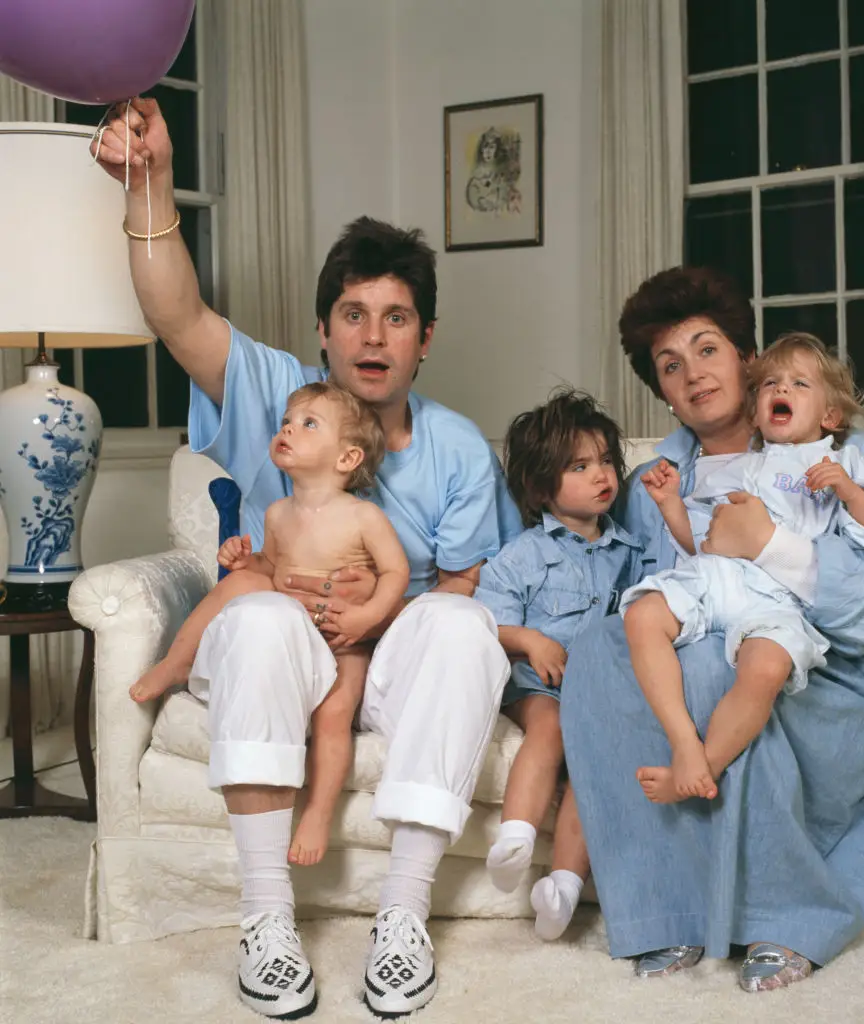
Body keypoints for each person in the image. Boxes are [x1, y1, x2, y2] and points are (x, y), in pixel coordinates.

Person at [93, 98, 522, 1020]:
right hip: (277, 652)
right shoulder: (281, 399)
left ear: (424, 339)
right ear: (322, 332)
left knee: (462, 624)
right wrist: (150, 183)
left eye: (396, 318)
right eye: (354, 315)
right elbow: (178, 314)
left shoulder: (455, 449)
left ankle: (402, 917)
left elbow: (463, 582)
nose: (373, 335)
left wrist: (373, 613)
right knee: (251, 612)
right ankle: (264, 920)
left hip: (382, 653)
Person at [558, 266, 864, 994]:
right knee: (598, 647)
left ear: (748, 358)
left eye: (707, 349)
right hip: (719, 644)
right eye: (669, 365)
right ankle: (664, 909)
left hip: (837, 677)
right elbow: (638, 583)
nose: (692, 374)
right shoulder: (661, 477)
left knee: (724, 667)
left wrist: (771, 545)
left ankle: (786, 913)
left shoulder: (838, 457)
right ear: (660, 391)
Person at [130, 380, 410, 867]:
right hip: (290, 641)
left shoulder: (363, 517)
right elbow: (270, 571)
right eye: (286, 422)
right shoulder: (278, 514)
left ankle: (319, 812)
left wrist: (367, 614)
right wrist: (243, 559)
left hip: (345, 642)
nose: (288, 430)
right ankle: (178, 662)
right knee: (238, 587)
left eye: (307, 424)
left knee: (334, 716)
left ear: (346, 459)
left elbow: (396, 573)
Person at [621, 333, 864, 804]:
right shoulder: (743, 467)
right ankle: (683, 742)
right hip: (726, 578)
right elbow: (703, 542)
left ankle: (703, 767)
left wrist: (851, 493)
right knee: (642, 615)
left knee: (768, 668)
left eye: (799, 383)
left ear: (830, 416)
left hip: (781, 599)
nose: (782, 390)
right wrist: (671, 505)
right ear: (756, 411)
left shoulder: (847, 460)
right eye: (771, 383)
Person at [473, 389, 646, 941]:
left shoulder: (630, 552)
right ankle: (516, 836)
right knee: (550, 732)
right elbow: (486, 624)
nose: (601, 475)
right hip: (538, 686)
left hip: (599, 692)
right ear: (542, 486)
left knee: (595, 767)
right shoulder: (523, 554)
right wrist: (530, 639)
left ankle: (565, 884)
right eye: (580, 465)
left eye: (605, 462)